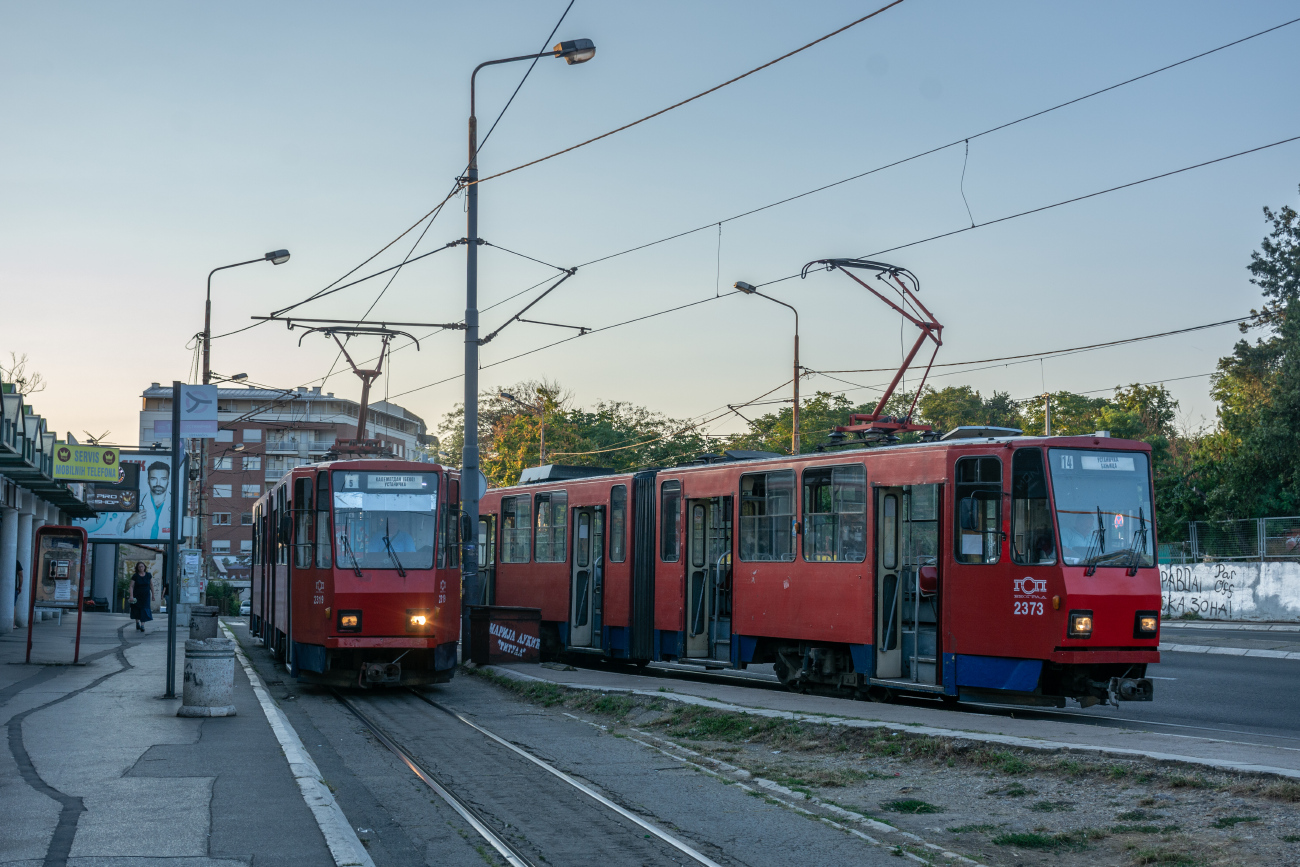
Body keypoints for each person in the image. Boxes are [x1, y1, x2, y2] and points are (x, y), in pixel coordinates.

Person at [123, 461, 170, 539]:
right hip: (140, 549)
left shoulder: (179, 503)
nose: (158, 483)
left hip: (161, 548)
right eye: (153, 479)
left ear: (168, 481)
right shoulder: (135, 500)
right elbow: (119, 531)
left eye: (163, 479)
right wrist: (130, 522)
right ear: (148, 480)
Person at [128, 562, 154, 632]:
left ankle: (142, 625)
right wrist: (131, 596)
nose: (141, 568)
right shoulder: (135, 576)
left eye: (142, 566)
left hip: (146, 596)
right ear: (137, 568)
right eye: (139, 567)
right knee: (137, 609)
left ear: (144, 567)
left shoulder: (148, 575)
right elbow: (131, 586)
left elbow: (151, 585)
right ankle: (137, 622)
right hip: (137, 595)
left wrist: (153, 595)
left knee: (144, 609)